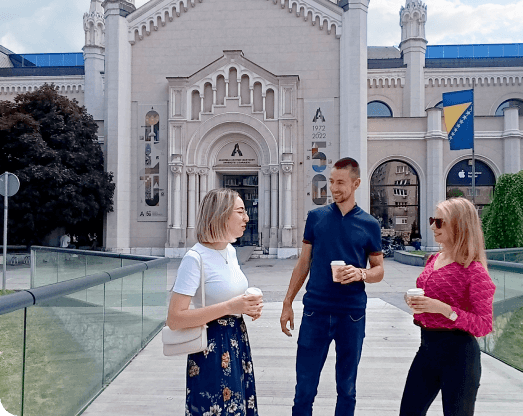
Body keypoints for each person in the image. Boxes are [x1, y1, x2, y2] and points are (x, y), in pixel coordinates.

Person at [280, 157, 384, 416]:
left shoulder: (370, 224)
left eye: (340, 182)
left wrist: (360, 273)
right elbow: (303, 263)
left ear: (356, 183)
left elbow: (379, 270)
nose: (334, 188)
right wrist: (287, 303)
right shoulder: (316, 218)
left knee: (347, 388)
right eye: (331, 182)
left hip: (352, 314)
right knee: (304, 388)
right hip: (315, 311)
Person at [167, 188, 264, 416]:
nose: (246, 218)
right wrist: (231, 307)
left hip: (237, 340)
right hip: (210, 347)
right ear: (221, 215)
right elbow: (175, 318)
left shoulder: (230, 251)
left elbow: (230, 297)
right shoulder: (195, 258)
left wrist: (248, 307)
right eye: (240, 211)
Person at [400, 197, 496, 416]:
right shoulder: (434, 259)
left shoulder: (474, 271)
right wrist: (417, 304)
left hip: (459, 357)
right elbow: (431, 303)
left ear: (458, 225)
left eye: (440, 222)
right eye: (433, 220)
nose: (433, 226)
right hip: (426, 350)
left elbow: (484, 325)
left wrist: (443, 309)